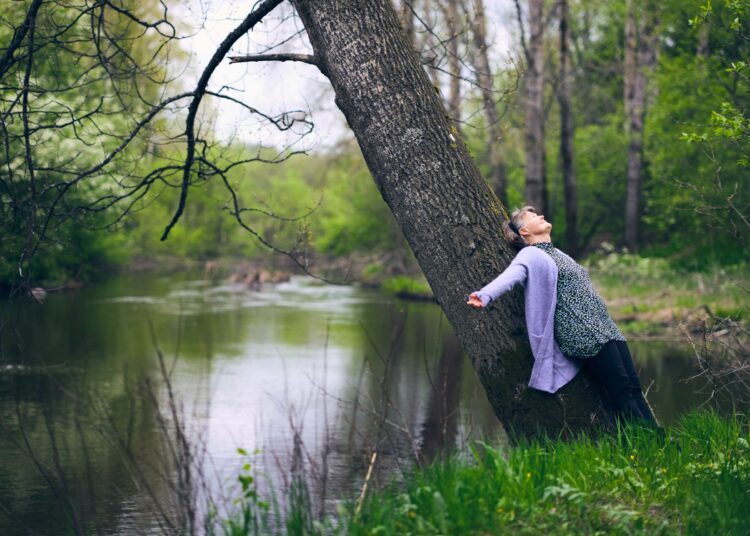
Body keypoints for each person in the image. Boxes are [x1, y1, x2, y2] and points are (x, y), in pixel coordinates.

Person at [466, 205, 656, 426]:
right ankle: (650, 439)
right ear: (524, 232)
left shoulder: (557, 253)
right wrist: (486, 294)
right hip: (582, 331)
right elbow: (513, 274)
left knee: (633, 385)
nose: (541, 216)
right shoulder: (531, 254)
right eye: (533, 216)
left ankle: (654, 439)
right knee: (621, 388)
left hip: (604, 327)